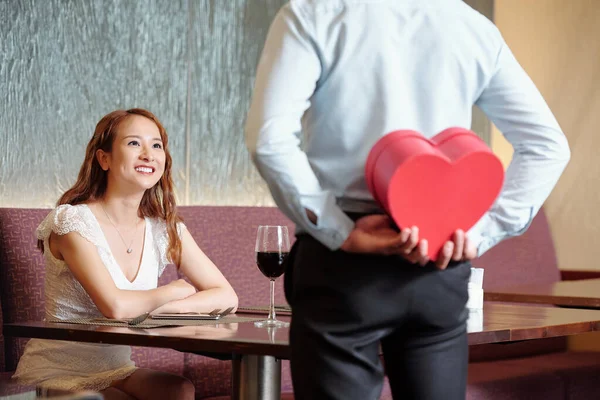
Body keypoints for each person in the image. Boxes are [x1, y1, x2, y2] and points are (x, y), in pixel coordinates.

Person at [245, 1, 570, 399]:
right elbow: (547, 147)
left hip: (346, 267)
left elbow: (269, 141)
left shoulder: (314, 13)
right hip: (440, 263)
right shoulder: (472, 26)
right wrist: (478, 234)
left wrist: (340, 231)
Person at [13, 108, 238, 399]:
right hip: (58, 371)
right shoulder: (71, 222)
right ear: (103, 158)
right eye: (134, 143)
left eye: (156, 145)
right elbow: (116, 307)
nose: (149, 154)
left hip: (116, 369)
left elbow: (226, 296)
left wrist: (165, 309)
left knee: (179, 390)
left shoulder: (165, 228)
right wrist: (172, 291)